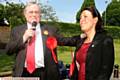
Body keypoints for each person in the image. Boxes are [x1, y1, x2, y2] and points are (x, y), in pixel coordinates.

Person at [56, 6, 114, 80]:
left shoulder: (105, 40)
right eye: (80, 18)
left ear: (95, 20)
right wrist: (46, 31)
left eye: (85, 16)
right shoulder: (80, 40)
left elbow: (105, 73)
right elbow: (62, 41)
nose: (81, 20)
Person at [5, 2, 60, 80]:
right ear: (25, 14)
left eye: (36, 12)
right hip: (23, 72)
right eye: (31, 12)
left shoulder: (51, 29)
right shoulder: (16, 30)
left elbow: (64, 40)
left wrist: (81, 36)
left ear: (40, 15)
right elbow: (9, 50)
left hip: (45, 73)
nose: (34, 15)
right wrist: (24, 37)